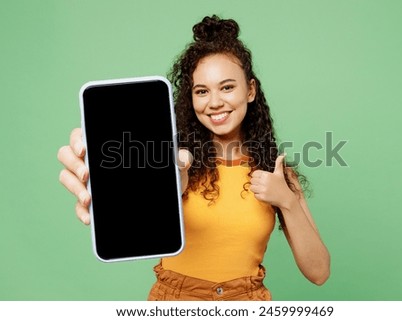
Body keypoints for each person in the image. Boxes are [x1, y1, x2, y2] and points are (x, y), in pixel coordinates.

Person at [57, 14, 330, 301]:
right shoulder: (173, 161)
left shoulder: (277, 174)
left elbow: (319, 272)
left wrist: (286, 200)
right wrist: (99, 169)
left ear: (250, 90)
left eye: (227, 87)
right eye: (202, 91)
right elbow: (137, 205)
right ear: (191, 98)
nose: (214, 102)